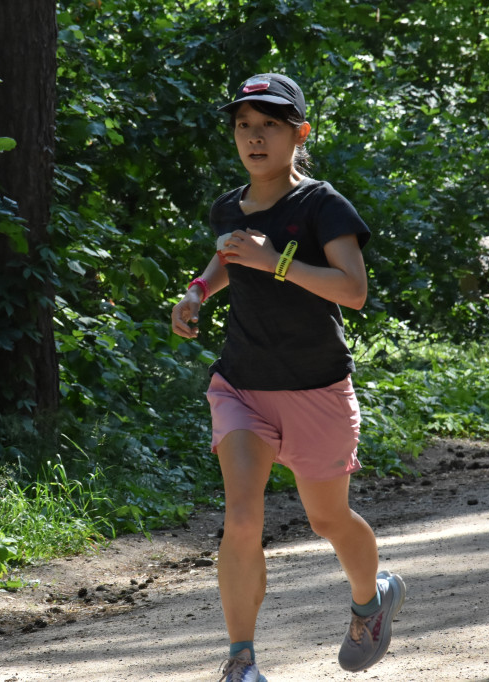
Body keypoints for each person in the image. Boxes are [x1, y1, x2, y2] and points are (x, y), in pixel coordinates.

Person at [171, 73, 406, 682]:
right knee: (243, 517)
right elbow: (228, 257)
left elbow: (352, 291)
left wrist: (276, 261)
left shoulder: (324, 207)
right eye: (244, 126)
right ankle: (240, 663)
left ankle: (370, 601)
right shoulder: (229, 205)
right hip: (242, 386)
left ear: (299, 134)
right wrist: (197, 292)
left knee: (328, 519)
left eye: (270, 125)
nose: (255, 137)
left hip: (317, 389)